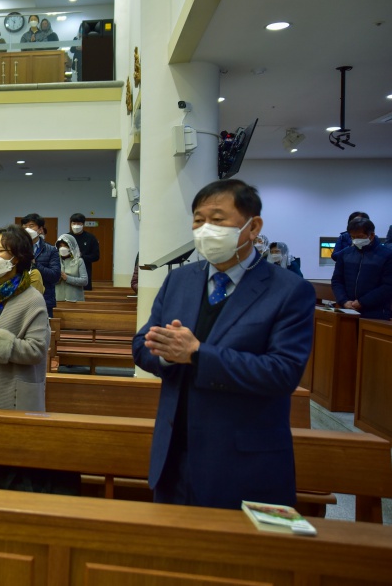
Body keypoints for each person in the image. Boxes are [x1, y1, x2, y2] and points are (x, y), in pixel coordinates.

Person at [133, 179, 315, 510]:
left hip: (242, 462)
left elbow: (283, 372)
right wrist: (168, 356)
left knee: (238, 560)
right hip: (174, 454)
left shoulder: (288, 291)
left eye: (217, 220)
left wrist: (198, 354)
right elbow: (142, 345)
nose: (205, 229)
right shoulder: (179, 280)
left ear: (252, 226)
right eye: (198, 221)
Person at [0, 225, 78, 494]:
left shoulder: (32, 300)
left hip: (14, 396)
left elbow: (36, 350)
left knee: (11, 474)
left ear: (18, 257)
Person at [331, 216, 392, 320]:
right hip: (347, 311)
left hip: (375, 314)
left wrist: (362, 302)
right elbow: (337, 280)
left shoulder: (387, 255)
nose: (355, 241)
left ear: (371, 235)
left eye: (359, 237)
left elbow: (388, 286)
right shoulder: (345, 254)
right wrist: (344, 301)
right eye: (352, 237)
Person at [21, 214, 61, 318]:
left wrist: (35, 264)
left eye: (31, 226)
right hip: (19, 300)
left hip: (44, 300)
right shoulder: (16, 249)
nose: (27, 229)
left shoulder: (51, 250)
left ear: (40, 230)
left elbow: (55, 276)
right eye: (24, 227)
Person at [69, 213, 99, 291]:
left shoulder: (90, 238)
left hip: (85, 272)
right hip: (68, 271)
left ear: (83, 224)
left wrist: (82, 256)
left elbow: (96, 256)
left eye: (78, 223)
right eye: (74, 223)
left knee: (85, 293)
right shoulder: (66, 237)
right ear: (71, 224)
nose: (76, 225)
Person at [55, 233, 88, 302]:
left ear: (71, 247)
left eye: (65, 246)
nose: (62, 248)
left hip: (75, 300)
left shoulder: (79, 261)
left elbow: (84, 281)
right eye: (60, 246)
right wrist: (57, 278)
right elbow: (48, 281)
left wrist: (67, 278)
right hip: (58, 300)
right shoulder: (54, 261)